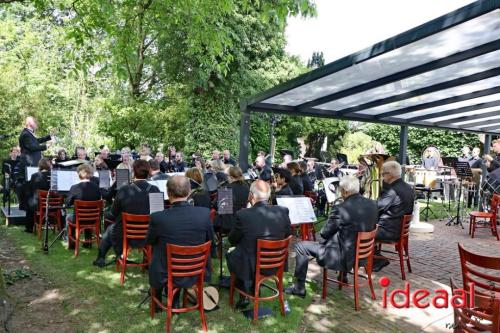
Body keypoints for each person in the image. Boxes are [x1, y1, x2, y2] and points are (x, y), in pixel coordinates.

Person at [285, 176, 378, 297]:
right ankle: (343, 276)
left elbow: (324, 233)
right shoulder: (373, 204)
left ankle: (299, 288)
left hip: (341, 256)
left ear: (344, 191)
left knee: (301, 246)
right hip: (362, 255)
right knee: (345, 234)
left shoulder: (340, 208)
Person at [146, 175, 213, 304]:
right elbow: (210, 240)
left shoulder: (158, 218)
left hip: (167, 272)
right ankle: (174, 299)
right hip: (196, 270)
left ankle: (159, 299)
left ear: (168, 192)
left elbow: (149, 241)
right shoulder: (204, 213)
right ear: (189, 192)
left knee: (157, 253)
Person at [227, 180, 291, 305]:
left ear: (251, 195)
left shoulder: (243, 215)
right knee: (243, 250)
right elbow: (287, 235)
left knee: (232, 254)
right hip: (276, 263)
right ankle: (249, 288)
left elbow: (232, 240)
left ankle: (244, 293)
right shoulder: (283, 211)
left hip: (251, 266)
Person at [93, 160, 160, 267]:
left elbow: (113, 214)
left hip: (126, 234)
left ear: (133, 172)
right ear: (149, 172)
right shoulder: (155, 189)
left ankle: (101, 257)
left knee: (110, 229)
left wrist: (107, 214)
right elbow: (158, 215)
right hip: (148, 234)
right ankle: (147, 259)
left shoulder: (124, 190)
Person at [373, 161, 414, 272]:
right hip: (400, 229)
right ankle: (375, 256)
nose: (382, 177)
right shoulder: (408, 188)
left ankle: (376, 260)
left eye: (383, 174)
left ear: (390, 175)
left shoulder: (392, 190)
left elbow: (376, 207)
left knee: (360, 229)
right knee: (370, 223)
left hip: (390, 230)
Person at [65, 163, 102, 248]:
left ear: (79, 174)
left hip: (79, 219)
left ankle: (72, 244)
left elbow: (67, 203)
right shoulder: (96, 187)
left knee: (69, 217)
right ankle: (88, 242)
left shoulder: (74, 188)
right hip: (94, 219)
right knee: (88, 213)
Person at [213, 166, 250, 232]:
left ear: (231, 177)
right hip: (243, 219)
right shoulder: (246, 186)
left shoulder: (226, 188)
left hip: (229, 223)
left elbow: (217, 207)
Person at [24, 158, 52, 233]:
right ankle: (59, 226)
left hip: (37, 204)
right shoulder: (53, 176)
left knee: (29, 201)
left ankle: (29, 228)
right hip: (51, 204)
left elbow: (30, 190)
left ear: (40, 166)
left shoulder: (34, 176)